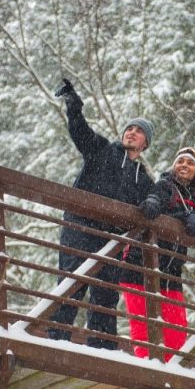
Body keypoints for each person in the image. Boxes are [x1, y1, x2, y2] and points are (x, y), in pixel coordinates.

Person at [46, 78, 154, 350]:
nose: (131, 132)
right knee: (72, 284)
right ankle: (55, 344)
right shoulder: (103, 150)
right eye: (129, 128)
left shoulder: (141, 176)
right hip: (80, 228)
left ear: (145, 144)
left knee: (106, 295)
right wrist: (74, 104)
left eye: (138, 131)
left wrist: (153, 199)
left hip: (113, 239)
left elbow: (160, 198)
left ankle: (102, 351)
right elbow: (81, 132)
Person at [119, 146, 195, 361]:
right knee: (143, 325)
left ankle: (171, 374)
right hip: (140, 263)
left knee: (177, 330)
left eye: (190, 163)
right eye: (180, 161)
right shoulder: (165, 185)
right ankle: (146, 370)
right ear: (174, 166)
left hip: (171, 272)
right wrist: (156, 205)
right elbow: (155, 199)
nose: (184, 165)